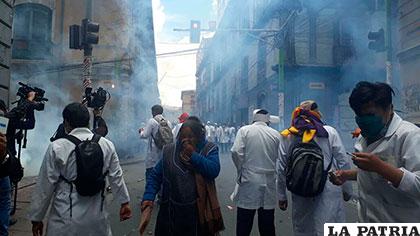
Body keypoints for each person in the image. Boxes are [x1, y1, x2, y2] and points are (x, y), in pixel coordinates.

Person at [29, 103, 132, 236]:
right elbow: (116, 176)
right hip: (97, 222)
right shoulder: (107, 145)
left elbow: (45, 186)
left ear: (66, 122)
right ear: (88, 121)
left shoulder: (57, 147)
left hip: (64, 221)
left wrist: (37, 217)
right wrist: (124, 202)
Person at [330, 81, 420, 222]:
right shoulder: (363, 137)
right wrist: (346, 175)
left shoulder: (410, 136)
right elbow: (370, 174)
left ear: (389, 109)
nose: (364, 120)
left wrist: (380, 167)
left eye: (370, 114)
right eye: (359, 115)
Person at [277, 101, 353, 236]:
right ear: (317, 113)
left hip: (300, 188)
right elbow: (343, 161)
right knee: (329, 228)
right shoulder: (329, 132)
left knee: (303, 228)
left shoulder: (288, 134)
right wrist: (347, 189)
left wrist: (282, 196)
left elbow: (282, 167)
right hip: (328, 187)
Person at [139, 117, 224, 236]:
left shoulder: (209, 149)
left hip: (198, 212)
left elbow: (213, 170)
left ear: (199, 137)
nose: (185, 140)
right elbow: (155, 175)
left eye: (190, 137)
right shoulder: (170, 151)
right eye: (183, 136)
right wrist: (149, 197)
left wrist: (192, 155)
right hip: (171, 211)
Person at [230, 109, 280, 236]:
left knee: (244, 221)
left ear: (254, 119)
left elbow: (236, 152)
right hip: (269, 180)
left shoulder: (245, 130)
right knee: (267, 221)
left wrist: (241, 169)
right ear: (268, 121)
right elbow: (281, 158)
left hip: (249, 179)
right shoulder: (275, 134)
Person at [139, 105, 172, 180]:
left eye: (152, 112)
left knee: (151, 176)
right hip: (164, 152)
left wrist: (141, 131)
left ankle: (152, 190)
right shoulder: (168, 122)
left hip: (153, 154)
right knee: (162, 175)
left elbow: (145, 135)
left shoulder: (152, 121)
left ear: (154, 112)